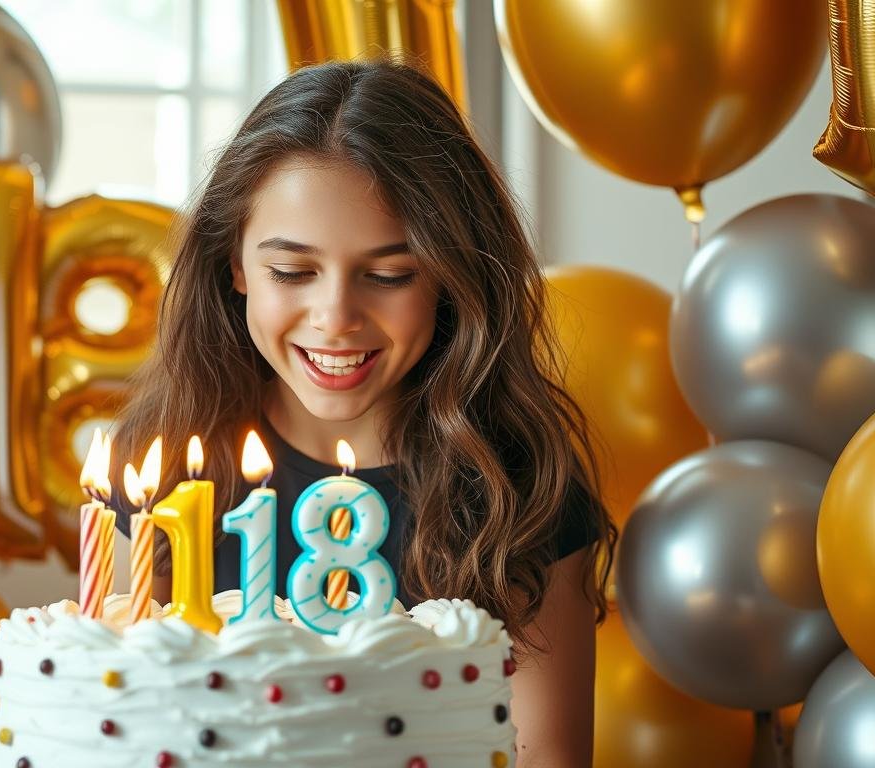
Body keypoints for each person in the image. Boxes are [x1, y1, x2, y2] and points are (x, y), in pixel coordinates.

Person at [111, 58, 616, 767]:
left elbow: (544, 757)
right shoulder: (162, 469)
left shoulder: (522, 494)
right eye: (292, 272)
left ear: (449, 276)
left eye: (388, 275)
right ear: (235, 265)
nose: (336, 317)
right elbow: (120, 725)